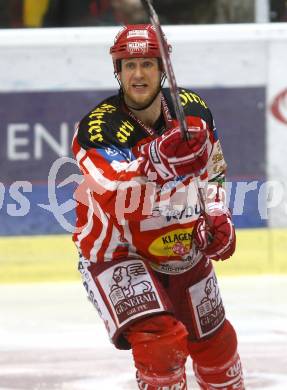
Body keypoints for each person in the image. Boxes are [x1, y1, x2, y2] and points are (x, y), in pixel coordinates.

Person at [72, 24, 245, 390]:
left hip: (181, 245)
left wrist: (215, 214)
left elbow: (212, 170)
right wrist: (155, 161)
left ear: (162, 68)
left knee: (217, 345)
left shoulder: (193, 111)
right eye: (129, 65)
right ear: (117, 71)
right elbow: (111, 192)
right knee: (160, 345)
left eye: (148, 64)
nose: (138, 74)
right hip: (117, 252)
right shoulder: (97, 128)